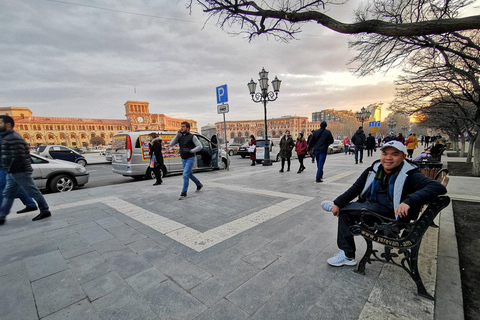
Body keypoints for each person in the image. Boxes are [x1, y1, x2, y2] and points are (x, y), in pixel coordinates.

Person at [320, 140, 447, 266]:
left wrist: (409, 201)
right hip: (373, 208)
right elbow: (356, 188)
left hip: (391, 216)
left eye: (395, 154)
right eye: (385, 154)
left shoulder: (410, 173)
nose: (388, 158)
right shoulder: (375, 169)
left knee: (345, 211)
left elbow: (438, 187)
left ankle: (347, 255)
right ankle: (346, 251)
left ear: (404, 156)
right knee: (345, 212)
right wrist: (338, 203)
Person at [0, 116, 51, 225]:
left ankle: (45, 210)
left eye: (0, 123)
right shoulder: (7, 137)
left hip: (20, 171)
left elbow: (18, 157)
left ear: (8, 124)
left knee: (32, 191)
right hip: (13, 171)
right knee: (8, 193)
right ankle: (2, 215)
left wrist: (10, 170)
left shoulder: (13, 138)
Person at [169, 121, 203, 200]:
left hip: (190, 158)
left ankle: (184, 193)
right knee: (189, 174)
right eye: (181, 126)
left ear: (188, 128)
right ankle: (199, 184)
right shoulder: (180, 136)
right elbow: (171, 144)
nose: (181, 128)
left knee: (185, 174)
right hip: (183, 158)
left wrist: (192, 151)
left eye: (183, 126)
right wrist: (176, 136)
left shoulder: (192, 137)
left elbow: (199, 146)